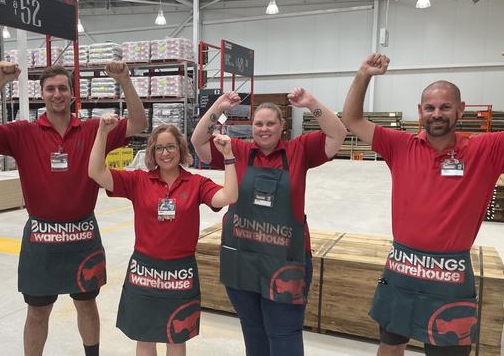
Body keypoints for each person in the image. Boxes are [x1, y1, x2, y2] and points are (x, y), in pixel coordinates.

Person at [0, 61, 147, 356]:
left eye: (63, 88)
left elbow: (138, 124)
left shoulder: (93, 130)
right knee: (37, 311)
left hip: (83, 235)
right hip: (41, 237)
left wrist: (125, 80)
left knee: (87, 304)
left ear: (72, 94)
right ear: (42, 94)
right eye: (50, 89)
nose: (57, 93)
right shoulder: (23, 132)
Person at [342, 53, 504, 356]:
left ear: (460, 110)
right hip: (403, 269)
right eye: (430, 107)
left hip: (451, 275)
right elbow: (352, 120)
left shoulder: (487, 150)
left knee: (448, 352)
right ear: (420, 111)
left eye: (445, 107)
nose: (437, 114)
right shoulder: (400, 146)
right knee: (390, 346)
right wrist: (363, 74)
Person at [191, 88, 347, 356]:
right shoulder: (236, 150)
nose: (264, 129)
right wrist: (219, 105)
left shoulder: (300, 150)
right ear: (252, 127)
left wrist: (311, 102)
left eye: (270, 123)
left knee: (284, 333)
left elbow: (338, 133)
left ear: (282, 126)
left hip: (285, 261)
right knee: (253, 329)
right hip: (242, 258)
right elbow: (198, 142)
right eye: (259, 124)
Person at [88, 118, 238, 356]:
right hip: (144, 272)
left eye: (171, 146)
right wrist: (102, 133)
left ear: (180, 148)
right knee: (145, 338)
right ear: (152, 152)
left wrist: (229, 157)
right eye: (159, 148)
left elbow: (229, 196)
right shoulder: (138, 180)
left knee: (176, 338)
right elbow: (96, 172)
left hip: (180, 274)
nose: (165, 153)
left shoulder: (197, 183)